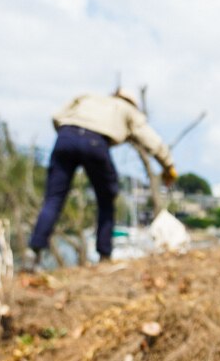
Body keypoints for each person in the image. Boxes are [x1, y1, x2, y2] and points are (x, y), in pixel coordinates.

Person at [28, 88, 178, 266]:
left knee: (53, 198)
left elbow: (57, 116)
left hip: (65, 137)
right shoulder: (127, 109)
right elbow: (151, 140)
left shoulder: (87, 97)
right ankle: (104, 254)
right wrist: (168, 165)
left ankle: (33, 252)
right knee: (106, 199)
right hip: (95, 143)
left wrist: (68, 135)